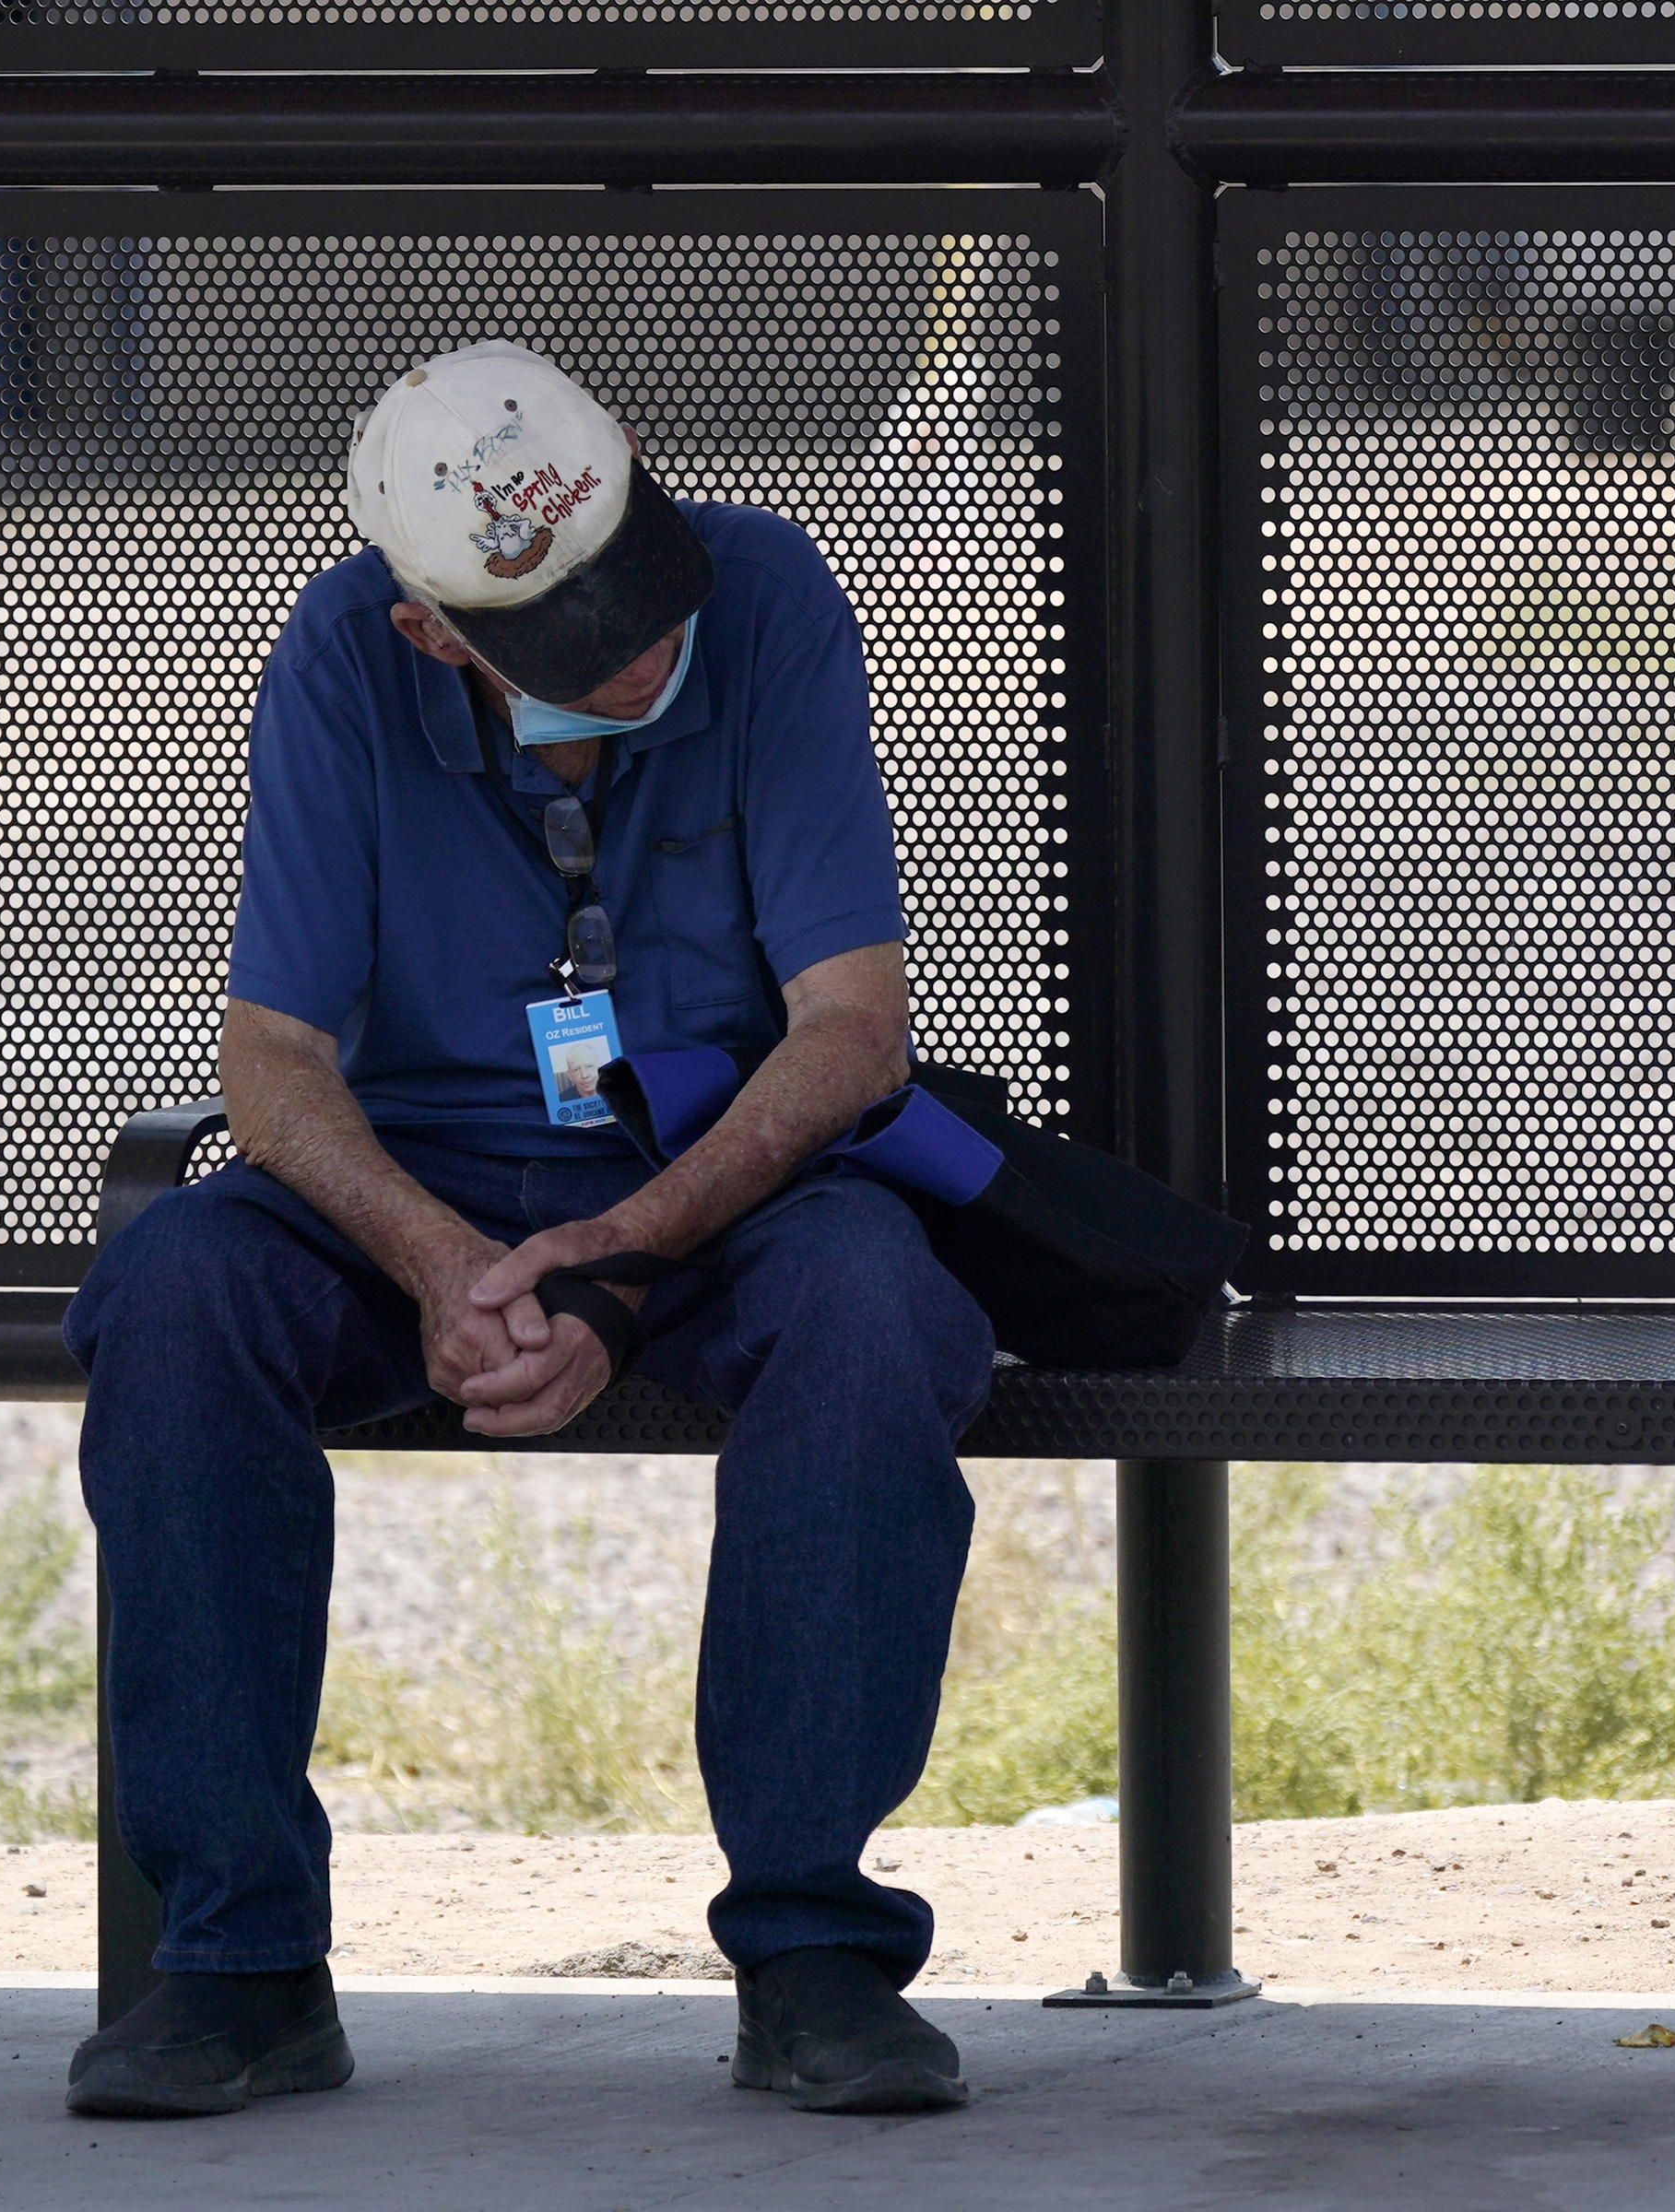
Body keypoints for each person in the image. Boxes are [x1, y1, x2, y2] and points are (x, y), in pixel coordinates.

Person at [61, 341, 992, 2121]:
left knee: (879, 1310)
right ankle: (242, 1962)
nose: (638, 655)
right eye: (570, 641)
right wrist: (436, 1264)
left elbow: (851, 1027)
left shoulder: (771, 590)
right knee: (175, 1287)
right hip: (424, 1200)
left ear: (638, 472)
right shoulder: (344, 654)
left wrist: (624, 1257)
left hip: (718, 1192)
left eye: (636, 590)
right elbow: (270, 1066)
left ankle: (812, 1949)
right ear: (435, 633)